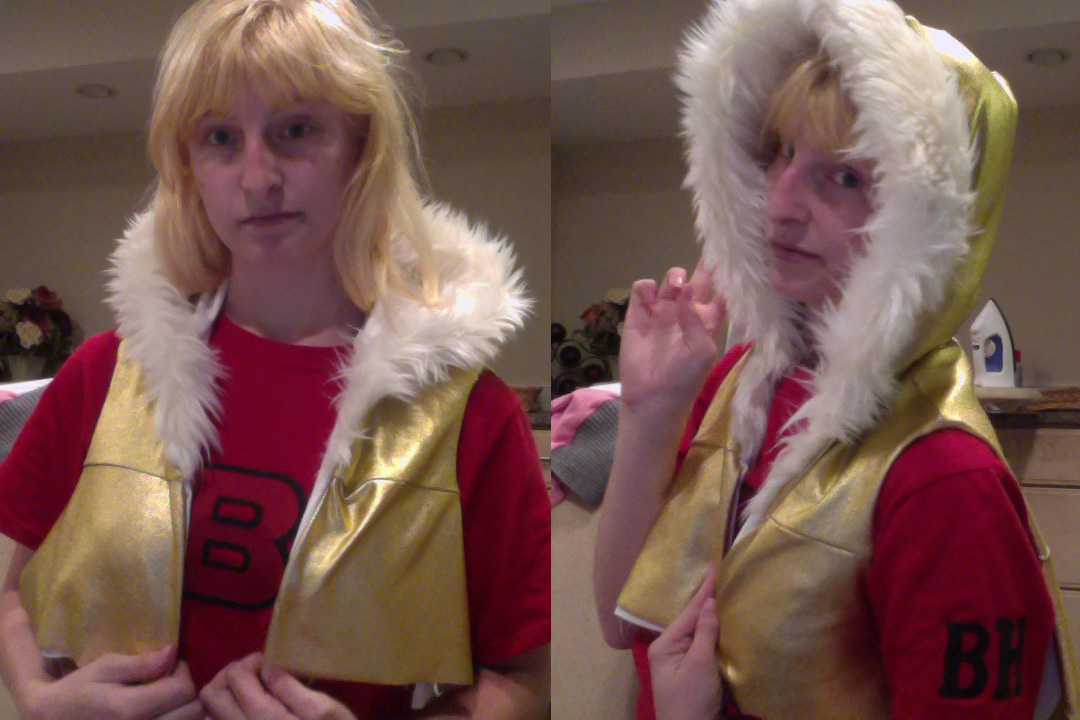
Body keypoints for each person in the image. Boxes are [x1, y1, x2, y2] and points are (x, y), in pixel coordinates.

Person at [0, 1, 550, 718]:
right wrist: (37, 698)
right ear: (187, 164)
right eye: (220, 137)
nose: (257, 178)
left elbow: (523, 680)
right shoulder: (103, 376)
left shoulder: (470, 416)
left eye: (295, 130)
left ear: (361, 148)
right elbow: (16, 594)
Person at [593, 0, 1079, 718]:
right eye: (780, 154)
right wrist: (649, 410)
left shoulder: (945, 479)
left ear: (924, 221)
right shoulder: (743, 383)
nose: (780, 203)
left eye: (845, 177)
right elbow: (622, 622)